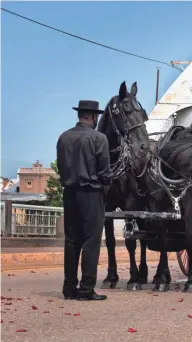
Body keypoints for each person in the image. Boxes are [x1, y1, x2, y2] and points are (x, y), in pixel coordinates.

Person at [57, 100, 111, 301]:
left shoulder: (64, 138)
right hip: (91, 194)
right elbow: (105, 173)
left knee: (71, 240)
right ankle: (86, 289)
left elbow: (62, 168)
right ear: (94, 117)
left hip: (69, 193)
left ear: (80, 115)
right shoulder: (99, 139)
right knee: (90, 241)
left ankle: (69, 288)